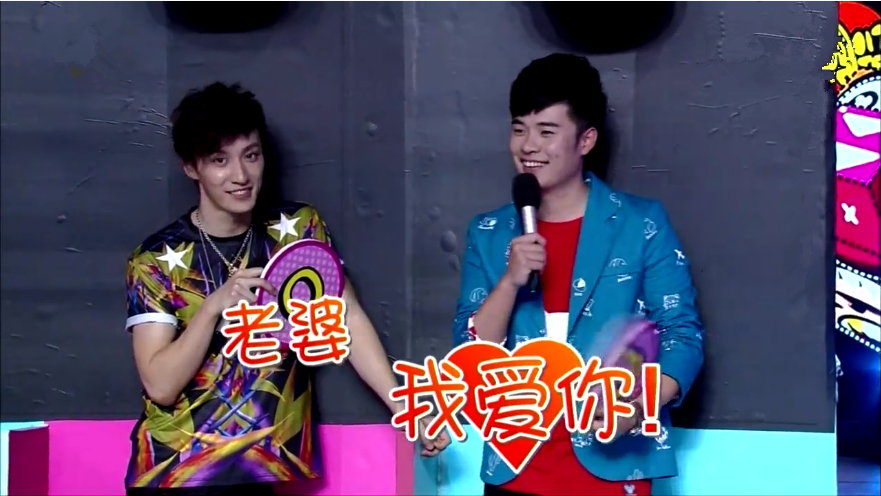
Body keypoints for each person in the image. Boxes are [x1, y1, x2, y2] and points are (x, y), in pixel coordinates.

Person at [124, 83, 449, 495]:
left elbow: (346, 318)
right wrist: (211, 308)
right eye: (219, 160)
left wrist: (407, 410)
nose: (240, 176)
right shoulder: (156, 258)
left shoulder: (297, 230)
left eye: (251, 155)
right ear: (191, 167)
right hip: (175, 472)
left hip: (262, 468)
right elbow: (160, 385)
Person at [452, 53, 704, 496]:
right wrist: (510, 282)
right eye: (519, 129)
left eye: (547, 131)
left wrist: (638, 406)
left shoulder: (639, 224)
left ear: (586, 140)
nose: (529, 146)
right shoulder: (489, 233)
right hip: (515, 468)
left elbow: (682, 335)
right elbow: (470, 351)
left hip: (613, 468)